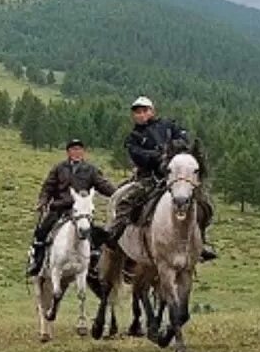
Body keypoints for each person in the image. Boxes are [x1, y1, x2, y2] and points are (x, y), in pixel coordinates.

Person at [103, 96, 216, 261]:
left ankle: (200, 242)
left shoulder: (168, 125)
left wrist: (175, 149)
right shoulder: (134, 137)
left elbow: (183, 139)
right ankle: (114, 236)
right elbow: (138, 156)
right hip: (149, 177)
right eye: (137, 112)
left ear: (152, 111)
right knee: (126, 202)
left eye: (144, 111)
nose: (141, 115)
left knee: (204, 204)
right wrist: (160, 156)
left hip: (177, 176)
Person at [25, 139, 117, 277]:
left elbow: (103, 185)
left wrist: (117, 194)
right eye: (73, 149)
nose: (76, 152)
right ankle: (37, 262)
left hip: (81, 210)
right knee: (42, 231)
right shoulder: (59, 168)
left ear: (83, 152)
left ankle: (94, 263)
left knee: (97, 234)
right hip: (60, 207)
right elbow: (48, 187)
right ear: (68, 152)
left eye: (79, 149)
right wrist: (42, 201)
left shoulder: (91, 170)